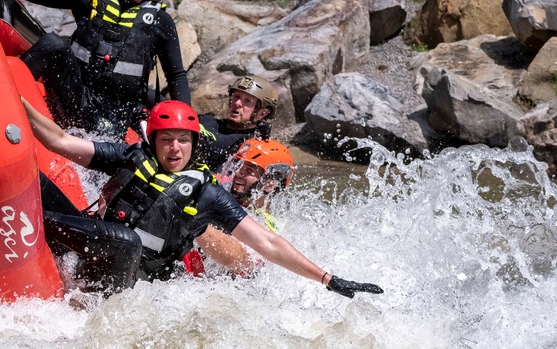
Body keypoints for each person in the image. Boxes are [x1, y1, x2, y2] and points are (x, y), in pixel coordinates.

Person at [23, 97, 383, 299]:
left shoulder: (206, 195)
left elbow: (265, 244)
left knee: (125, 240)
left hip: (128, 279)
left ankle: (32, 226)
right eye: (166, 139)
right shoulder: (131, 157)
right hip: (91, 246)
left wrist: (326, 278)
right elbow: (59, 142)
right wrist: (13, 96)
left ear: (195, 145)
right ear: (154, 140)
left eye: (183, 140)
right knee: (33, 180)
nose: (175, 147)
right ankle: (19, 221)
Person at [0, 0, 190, 136]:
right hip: (74, 97)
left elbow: (176, 76)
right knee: (53, 43)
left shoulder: (160, 21)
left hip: (112, 117)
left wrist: (186, 127)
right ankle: (0, 102)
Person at [194, 138, 296, 275]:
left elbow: (243, 263)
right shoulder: (219, 188)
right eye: (239, 165)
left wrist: (196, 224)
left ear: (270, 183)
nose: (237, 173)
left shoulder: (267, 227)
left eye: (249, 169)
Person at [197, 75, 279, 170]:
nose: (237, 103)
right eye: (236, 96)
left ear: (262, 113)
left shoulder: (250, 148)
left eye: (247, 101)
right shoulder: (206, 120)